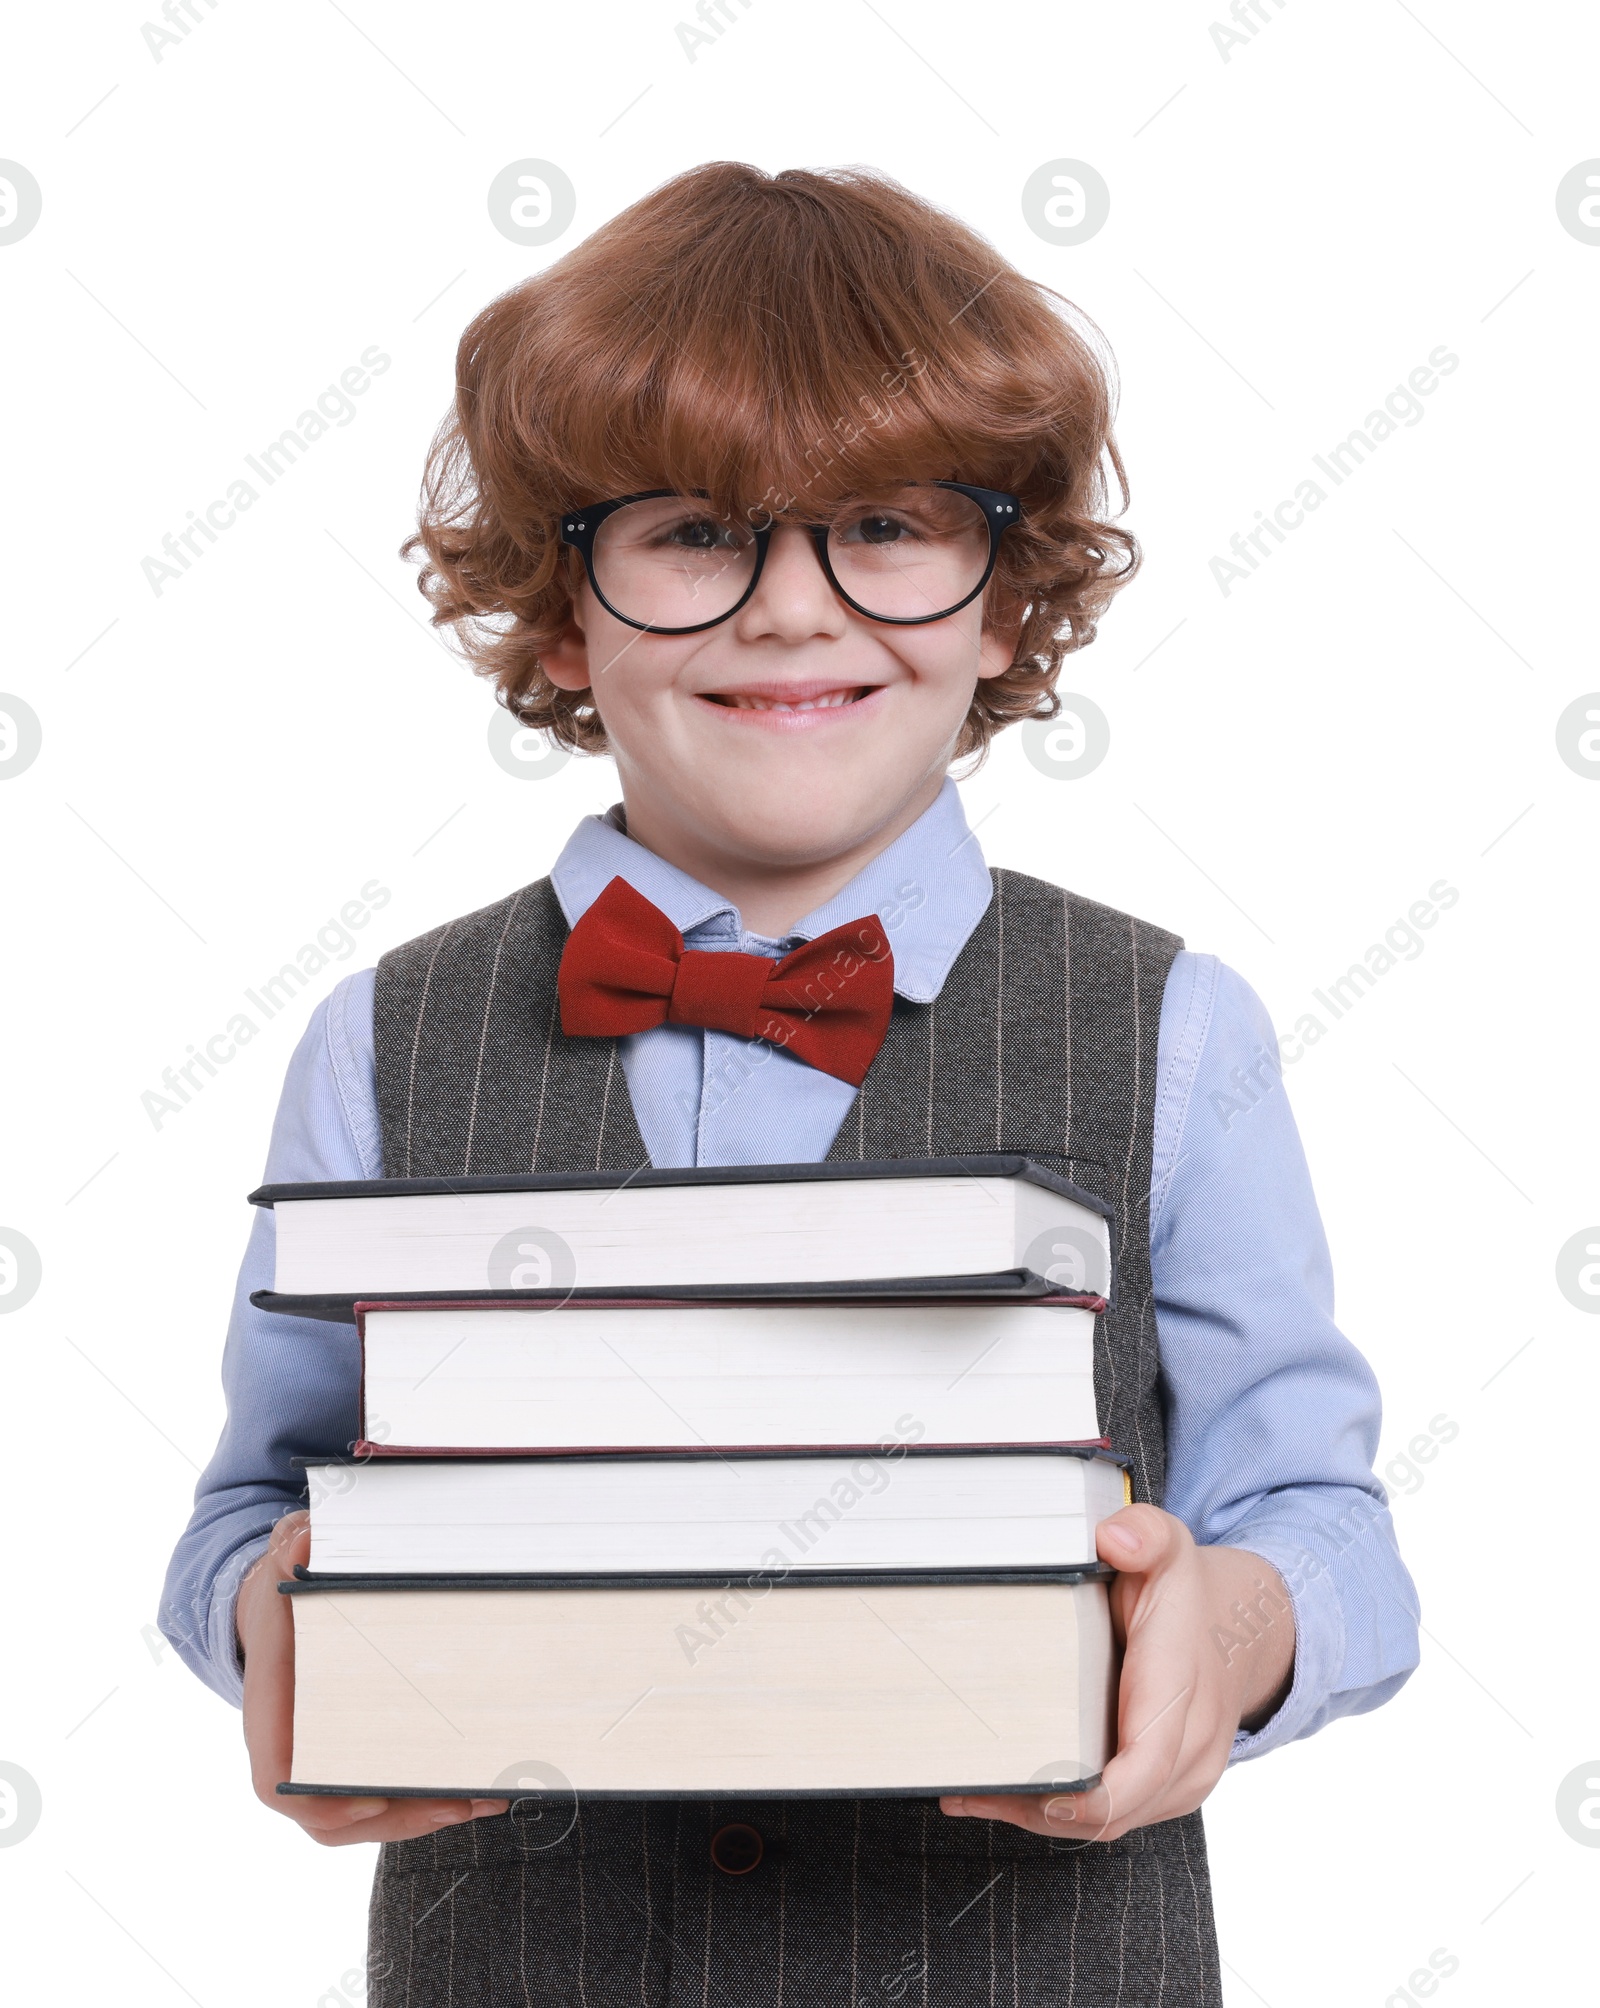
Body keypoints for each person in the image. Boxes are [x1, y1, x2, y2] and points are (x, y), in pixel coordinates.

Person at [162, 160, 1420, 2003]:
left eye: (889, 527)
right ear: (565, 608)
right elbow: (248, 1512)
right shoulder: (381, 1032)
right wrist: (269, 1614)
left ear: (1007, 600)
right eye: (691, 531)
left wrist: (1233, 1628)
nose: (793, 613)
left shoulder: (1171, 1023)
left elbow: (1327, 1526)